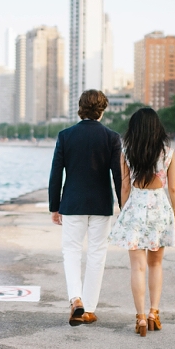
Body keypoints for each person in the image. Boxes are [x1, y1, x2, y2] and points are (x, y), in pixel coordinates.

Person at [49, 90, 122, 326]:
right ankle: (88, 309)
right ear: (102, 110)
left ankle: (75, 299)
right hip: (101, 204)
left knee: (71, 252)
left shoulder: (65, 136)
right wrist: (124, 206)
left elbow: (55, 174)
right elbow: (119, 176)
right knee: (97, 254)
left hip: (72, 203)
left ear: (79, 108)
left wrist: (54, 206)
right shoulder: (112, 137)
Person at [108, 108, 175, 337]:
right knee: (155, 265)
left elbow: (125, 186)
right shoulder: (168, 153)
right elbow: (174, 188)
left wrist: (124, 212)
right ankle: (153, 314)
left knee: (137, 267)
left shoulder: (127, 152)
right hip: (159, 209)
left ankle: (139, 317)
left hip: (136, 209)